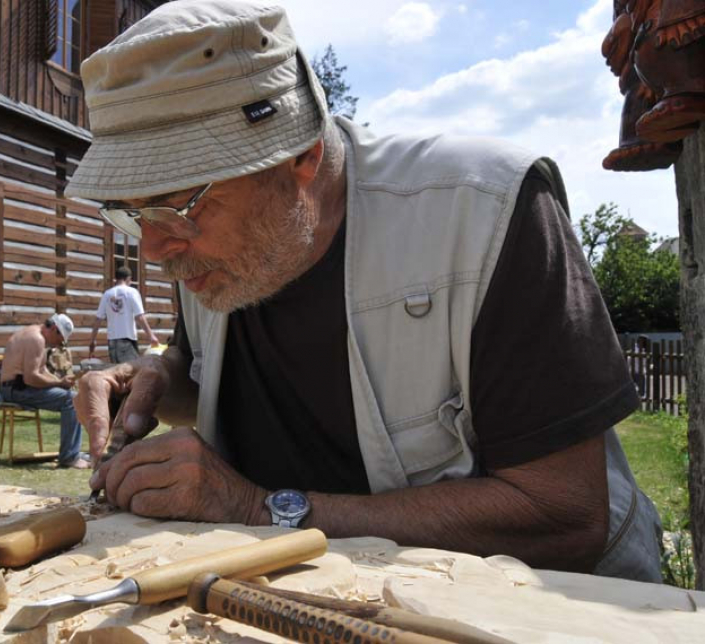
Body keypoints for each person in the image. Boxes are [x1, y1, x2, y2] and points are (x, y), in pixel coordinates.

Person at [69, 0, 662, 582]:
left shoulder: (484, 210)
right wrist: (157, 380)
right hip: (303, 598)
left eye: (178, 205)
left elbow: (562, 516)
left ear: (302, 154)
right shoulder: (210, 251)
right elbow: (212, 369)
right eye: (131, 213)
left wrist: (259, 508)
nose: (152, 248)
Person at [0, 313, 89, 469]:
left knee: (73, 397)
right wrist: (59, 382)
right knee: (72, 399)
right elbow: (30, 378)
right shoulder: (36, 339)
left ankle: (72, 452)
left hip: (18, 386)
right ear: (54, 329)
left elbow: (41, 370)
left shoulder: (37, 335)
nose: (59, 343)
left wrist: (60, 382)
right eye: (60, 339)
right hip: (15, 389)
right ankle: (69, 456)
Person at [88, 265, 161, 363]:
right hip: (127, 340)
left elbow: (98, 319)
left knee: (117, 374)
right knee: (130, 374)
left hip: (112, 342)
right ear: (128, 279)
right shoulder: (132, 292)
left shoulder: (107, 294)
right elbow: (140, 317)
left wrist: (92, 341)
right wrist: (151, 336)